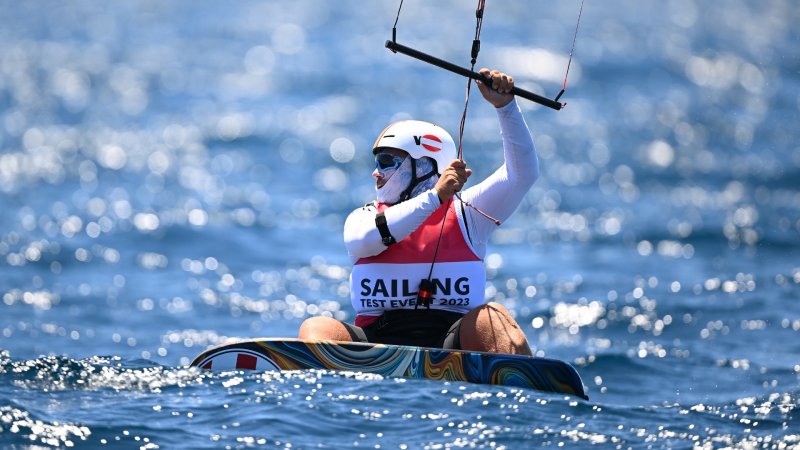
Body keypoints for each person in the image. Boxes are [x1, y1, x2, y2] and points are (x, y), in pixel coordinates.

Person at [299, 68, 537, 355]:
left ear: (425, 167)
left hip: (455, 346)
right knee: (316, 328)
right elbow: (365, 240)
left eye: (386, 161)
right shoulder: (362, 219)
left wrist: (506, 107)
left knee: (492, 316)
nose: (376, 173)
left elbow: (522, 175)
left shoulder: (469, 215)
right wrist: (436, 197)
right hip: (377, 344)